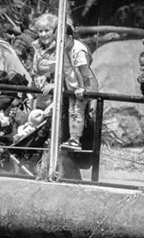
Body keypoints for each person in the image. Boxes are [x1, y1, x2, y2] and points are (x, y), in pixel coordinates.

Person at [27, 13, 96, 148]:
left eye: (47, 30)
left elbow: (77, 70)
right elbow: (38, 70)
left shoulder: (66, 48)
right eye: (40, 31)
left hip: (60, 97)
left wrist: (56, 84)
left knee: (58, 135)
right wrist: (41, 78)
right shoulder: (37, 48)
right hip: (42, 96)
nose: (43, 34)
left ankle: (71, 150)